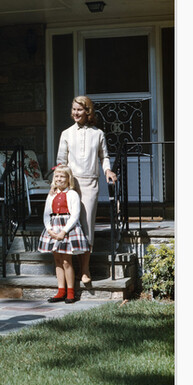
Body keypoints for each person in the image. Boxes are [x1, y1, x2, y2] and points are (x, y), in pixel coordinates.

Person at [55, 95, 117, 286]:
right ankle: (69, 269)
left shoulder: (98, 134)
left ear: (88, 111)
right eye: (73, 109)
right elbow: (61, 161)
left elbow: (104, 156)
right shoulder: (66, 133)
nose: (76, 113)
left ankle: (85, 269)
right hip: (71, 185)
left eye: (80, 109)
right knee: (70, 225)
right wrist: (59, 185)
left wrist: (107, 170)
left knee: (87, 225)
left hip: (90, 183)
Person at [37, 165, 90, 304]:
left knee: (66, 261)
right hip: (54, 227)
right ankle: (61, 291)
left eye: (62, 177)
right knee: (58, 261)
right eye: (57, 176)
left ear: (68, 179)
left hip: (67, 228)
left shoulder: (72, 194)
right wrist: (49, 229)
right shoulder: (52, 194)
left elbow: (75, 215)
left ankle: (71, 292)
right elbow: (46, 213)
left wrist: (63, 232)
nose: (59, 179)